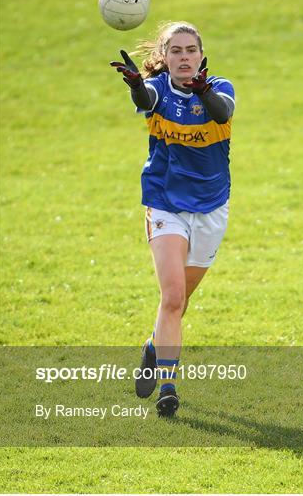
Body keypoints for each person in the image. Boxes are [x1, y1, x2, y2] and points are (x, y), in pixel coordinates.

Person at [110, 22, 235, 417]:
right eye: (176, 50)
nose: (184, 57)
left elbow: (221, 111)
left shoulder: (221, 88)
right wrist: (134, 85)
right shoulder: (158, 89)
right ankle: (168, 386)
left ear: (202, 55)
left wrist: (203, 90)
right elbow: (146, 98)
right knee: (173, 296)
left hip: (212, 208)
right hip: (165, 205)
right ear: (164, 58)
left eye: (190, 50)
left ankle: (153, 345)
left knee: (180, 304)